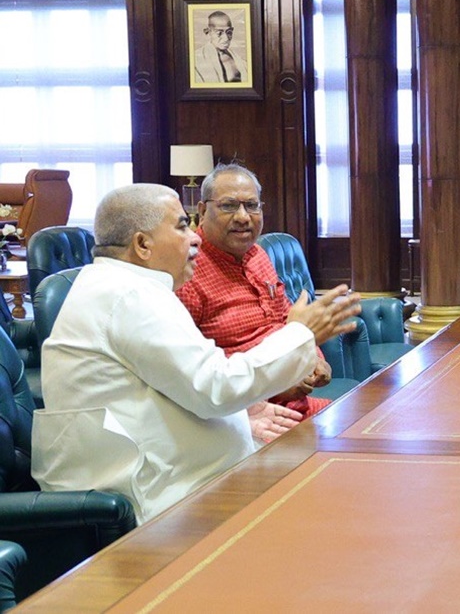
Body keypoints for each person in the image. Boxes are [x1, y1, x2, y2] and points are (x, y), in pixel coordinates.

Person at [31, 184, 360, 522]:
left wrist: (239, 418)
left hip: (186, 478)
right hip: (154, 502)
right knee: (328, 499)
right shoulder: (127, 296)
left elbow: (180, 385)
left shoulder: (127, 286)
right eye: (181, 226)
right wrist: (301, 333)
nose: (195, 238)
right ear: (142, 245)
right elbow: (216, 387)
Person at [176, 162, 333, 419]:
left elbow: (286, 320)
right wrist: (275, 386)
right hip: (248, 418)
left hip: (300, 406)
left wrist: (313, 359)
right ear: (202, 211)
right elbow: (193, 374)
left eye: (252, 205)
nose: (243, 217)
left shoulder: (258, 254)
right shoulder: (186, 272)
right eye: (229, 206)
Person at [193, 11, 248, 83]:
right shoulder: (196, 60)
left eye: (229, 32)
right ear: (207, 32)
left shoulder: (239, 60)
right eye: (219, 33)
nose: (226, 38)